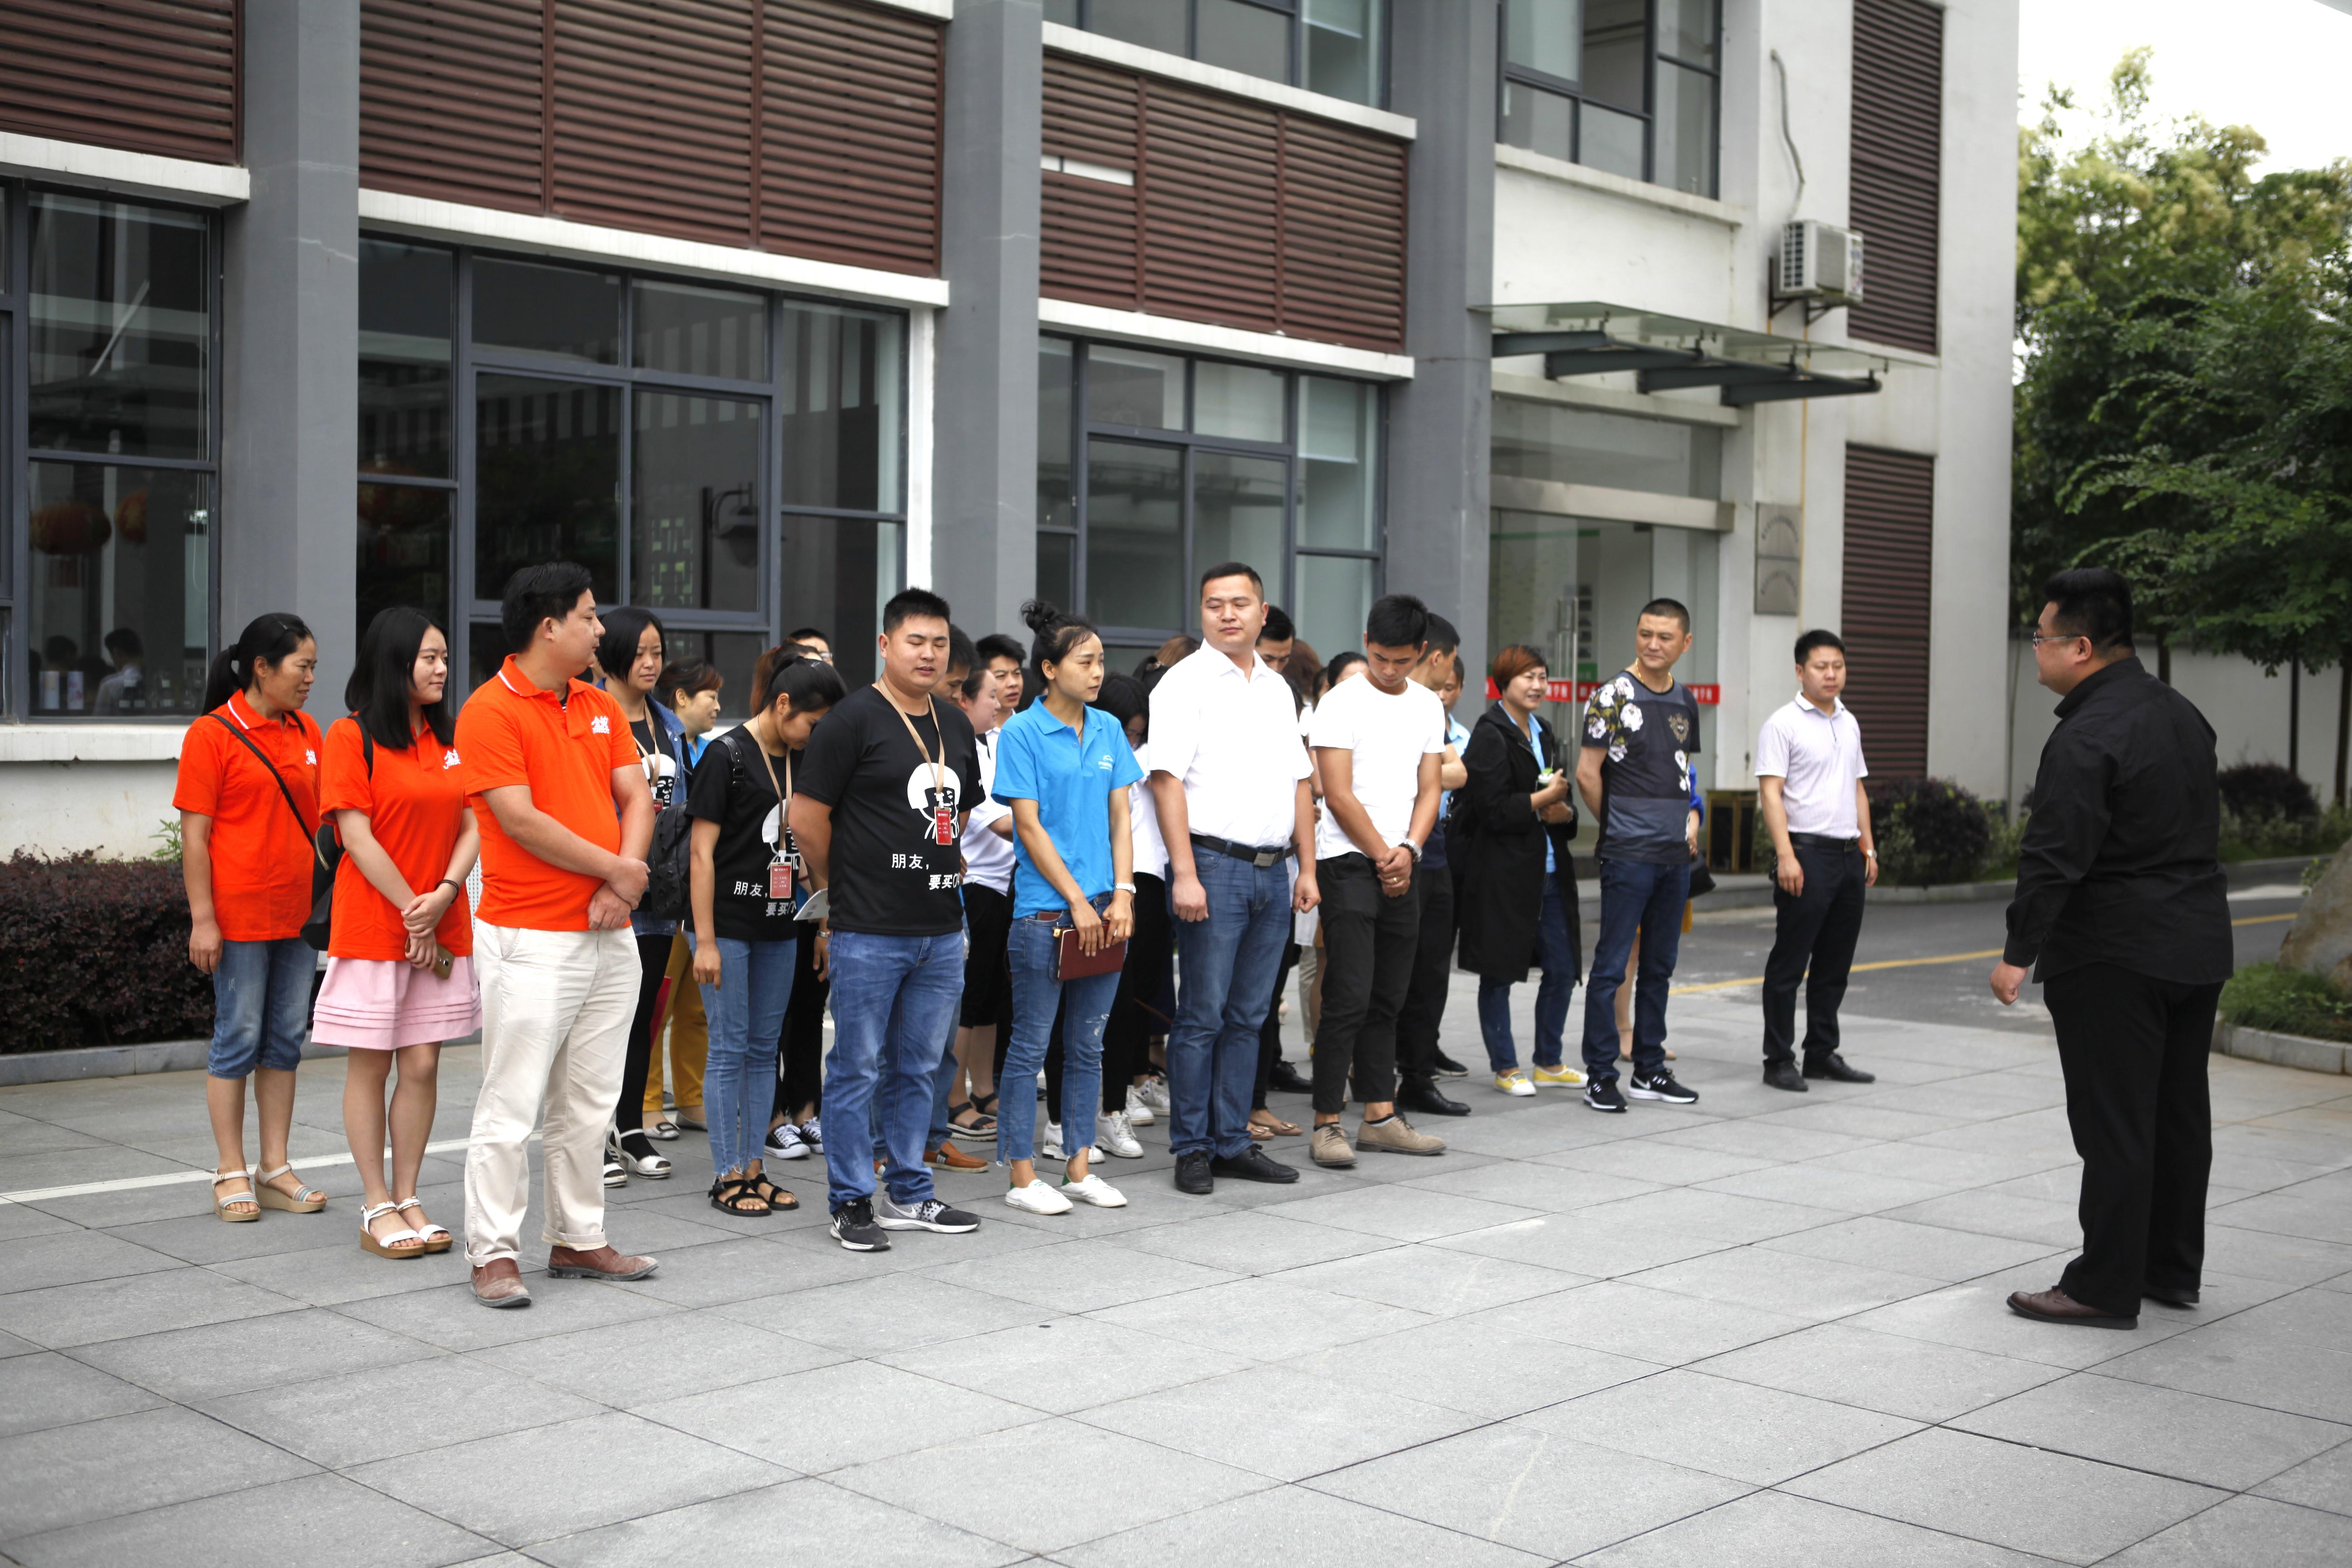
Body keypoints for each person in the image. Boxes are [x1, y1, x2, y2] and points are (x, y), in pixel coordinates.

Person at [1995, 569, 2232, 1330]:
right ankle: (2169, 1268)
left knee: (2115, 1121)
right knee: (2177, 1114)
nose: (2035, 649)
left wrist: (2018, 950)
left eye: (2041, 637)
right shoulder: (2182, 714)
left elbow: (2055, 851)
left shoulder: (2088, 733)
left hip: (2114, 950)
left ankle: (2102, 1285)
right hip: (2196, 943)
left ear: (2082, 647)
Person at [458, 562, 659, 1308]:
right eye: (589, 615)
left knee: (590, 1099)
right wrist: (619, 870)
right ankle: (493, 1252)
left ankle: (578, 1236)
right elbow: (518, 819)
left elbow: (636, 795)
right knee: (510, 1102)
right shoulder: (489, 710)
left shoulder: (599, 704)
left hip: (610, 929)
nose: (601, 629)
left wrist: (620, 882)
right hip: (531, 935)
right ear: (549, 627)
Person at [790, 588, 985, 1252]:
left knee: (920, 1066)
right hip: (868, 929)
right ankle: (851, 1199)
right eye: (915, 641)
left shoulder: (954, 723)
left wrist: (941, 858)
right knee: (857, 1068)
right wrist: (838, 889)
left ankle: (908, 1191)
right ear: (885, 644)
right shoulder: (851, 720)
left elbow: (959, 810)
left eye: (939, 643)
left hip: (941, 927)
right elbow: (806, 819)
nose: (929, 654)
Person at [1148, 562, 1318, 1196]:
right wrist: (1184, 873)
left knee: (1250, 1015)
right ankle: (1192, 1147)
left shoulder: (1276, 688)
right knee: (1202, 1015)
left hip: (1275, 872)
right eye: (1214, 604)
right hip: (1213, 867)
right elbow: (1166, 780)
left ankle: (1232, 1141)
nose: (1227, 614)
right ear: (1202, 613)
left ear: (1262, 613)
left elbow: (1299, 780)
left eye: (1240, 603)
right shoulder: (1183, 684)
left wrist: (1307, 867)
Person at [318, 608, 481, 1257]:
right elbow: (354, 835)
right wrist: (415, 910)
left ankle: (409, 1196)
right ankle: (376, 1203)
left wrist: (442, 896)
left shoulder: (449, 740)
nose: (442, 669)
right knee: (372, 1062)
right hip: (374, 924)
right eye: (429, 658)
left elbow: (473, 823)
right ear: (395, 663)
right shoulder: (349, 737)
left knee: (422, 1062)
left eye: (443, 658)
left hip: (440, 920)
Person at [176, 613, 330, 1224]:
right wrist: (203, 919)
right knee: (237, 1036)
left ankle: (274, 1167)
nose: (311, 678)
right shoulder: (212, 734)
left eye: (314, 667)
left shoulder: (308, 729)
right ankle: (230, 1169)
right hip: (238, 915)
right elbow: (195, 838)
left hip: (299, 915)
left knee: (286, 1038)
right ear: (262, 668)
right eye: (302, 666)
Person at [992, 601, 1143, 1211]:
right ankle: (1021, 1177)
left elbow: (1121, 818)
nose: (1098, 671)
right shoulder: (1022, 733)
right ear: (1050, 670)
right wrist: (1077, 900)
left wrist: (1124, 892)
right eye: (1085, 661)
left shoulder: (1107, 729)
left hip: (1107, 908)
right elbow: (1028, 827)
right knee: (1030, 1046)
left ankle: (1078, 1168)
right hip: (1045, 913)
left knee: (1088, 1045)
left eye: (1101, 660)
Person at [689, 647, 845, 1215]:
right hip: (727, 926)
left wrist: (824, 919)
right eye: (813, 723)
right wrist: (705, 940)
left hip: (781, 925)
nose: (816, 735)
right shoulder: (726, 755)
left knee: (762, 1050)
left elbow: (808, 842)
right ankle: (725, 1173)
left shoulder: (804, 761)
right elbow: (701, 854)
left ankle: (754, 1167)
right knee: (729, 1048)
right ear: (783, 705)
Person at [1305, 595, 1449, 1166]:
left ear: (1423, 653)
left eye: (1401, 660)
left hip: (1404, 860)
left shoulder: (1428, 705)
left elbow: (1431, 787)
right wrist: (1385, 855)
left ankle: (1380, 1116)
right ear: (1366, 642)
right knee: (1348, 994)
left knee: (1389, 995)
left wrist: (1409, 849)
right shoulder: (1340, 702)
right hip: (1348, 861)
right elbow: (1337, 794)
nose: (1389, 669)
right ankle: (1326, 1124)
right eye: (1379, 657)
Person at [1575, 601, 1705, 1112]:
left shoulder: (1685, 701)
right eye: (1645, 633)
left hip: (1675, 857)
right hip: (1628, 854)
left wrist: (1690, 820)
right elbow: (1587, 773)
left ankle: (1649, 1069)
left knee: (1659, 967)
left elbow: (1681, 770)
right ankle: (1600, 1075)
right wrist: (1616, 827)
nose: (1653, 644)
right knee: (1611, 967)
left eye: (1665, 637)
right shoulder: (1612, 695)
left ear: (1685, 644)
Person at [1756, 630, 1881, 1091]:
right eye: (1820, 667)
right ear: (1800, 671)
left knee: (1835, 963)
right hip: (1806, 854)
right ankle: (1778, 1060)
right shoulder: (1783, 724)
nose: (1831, 675)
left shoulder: (1849, 722)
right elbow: (1770, 793)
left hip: (1848, 856)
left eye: (1838, 666)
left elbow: (1857, 787)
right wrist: (1786, 855)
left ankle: (1822, 1053)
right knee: (1789, 963)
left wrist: (1869, 847)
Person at [1455, 645, 1582, 1095]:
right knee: (1500, 971)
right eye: (1527, 677)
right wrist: (1544, 801)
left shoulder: (1543, 731)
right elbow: (1490, 809)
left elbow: (1560, 795)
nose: (1537, 685)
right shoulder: (1490, 735)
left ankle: (1549, 1061)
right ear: (1503, 683)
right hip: (1504, 872)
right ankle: (1506, 1066)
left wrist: (1564, 812)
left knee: (1563, 969)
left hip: (1549, 870)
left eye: (1543, 677)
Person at [596, 607, 689, 1183]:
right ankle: (594, 1135)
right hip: (608, 882)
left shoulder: (668, 724)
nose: (652, 663)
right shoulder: (592, 716)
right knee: (602, 1017)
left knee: (642, 1012)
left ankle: (630, 1127)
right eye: (640, 653)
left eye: (658, 652)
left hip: (660, 888)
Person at [642, 660, 724, 1135]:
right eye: (710, 695)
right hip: (663, 893)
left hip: (700, 895)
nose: (717, 706)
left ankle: (692, 1098)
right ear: (681, 699)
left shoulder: (710, 752)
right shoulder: (656, 745)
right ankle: (649, 1103)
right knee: (659, 1001)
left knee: (697, 1005)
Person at [1395, 646, 1473, 1115]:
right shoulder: (1382, 699)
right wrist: (1425, 774)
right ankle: (1372, 1080)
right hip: (1391, 849)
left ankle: (1418, 1077)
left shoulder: (1429, 708)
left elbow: (1458, 773)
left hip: (1436, 850)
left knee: (1432, 973)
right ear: (1437, 656)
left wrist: (1416, 773)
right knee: (1390, 974)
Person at [950, 658, 1012, 1148]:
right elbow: (1003, 821)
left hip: (1004, 883)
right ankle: (954, 1099)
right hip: (974, 885)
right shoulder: (961, 750)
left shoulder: (996, 743)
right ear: (964, 699)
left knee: (991, 996)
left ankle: (984, 1089)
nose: (999, 701)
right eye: (991, 693)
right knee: (967, 1001)